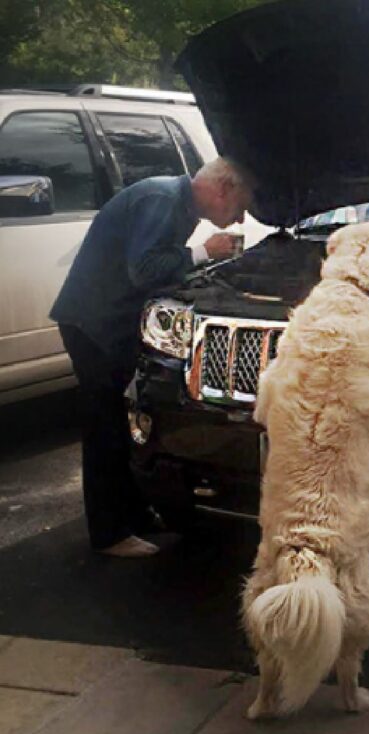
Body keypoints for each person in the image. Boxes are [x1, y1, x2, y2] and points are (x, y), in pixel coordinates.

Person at [50, 157, 255, 558]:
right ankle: (109, 534)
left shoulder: (173, 200)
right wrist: (202, 252)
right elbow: (143, 269)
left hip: (109, 323)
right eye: (239, 207)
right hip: (94, 325)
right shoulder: (162, 199)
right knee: (105, 427)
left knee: (126, 423)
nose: (238, 219)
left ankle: (135, 516)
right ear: (222, 190)